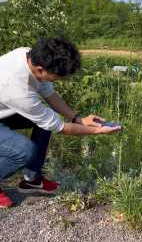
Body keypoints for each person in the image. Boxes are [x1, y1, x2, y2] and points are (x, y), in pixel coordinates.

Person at [0, 37, 121, 207]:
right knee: (24, 150)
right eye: (55, 78)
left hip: (4, 107)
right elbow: (60, 127)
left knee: (44, 121)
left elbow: (50, 95)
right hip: (8, 101)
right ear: (41, 70)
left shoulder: (29, 56)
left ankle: (31, 178)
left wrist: (78, 119)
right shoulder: (17, 88)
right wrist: (97, 131)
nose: (57, 81)